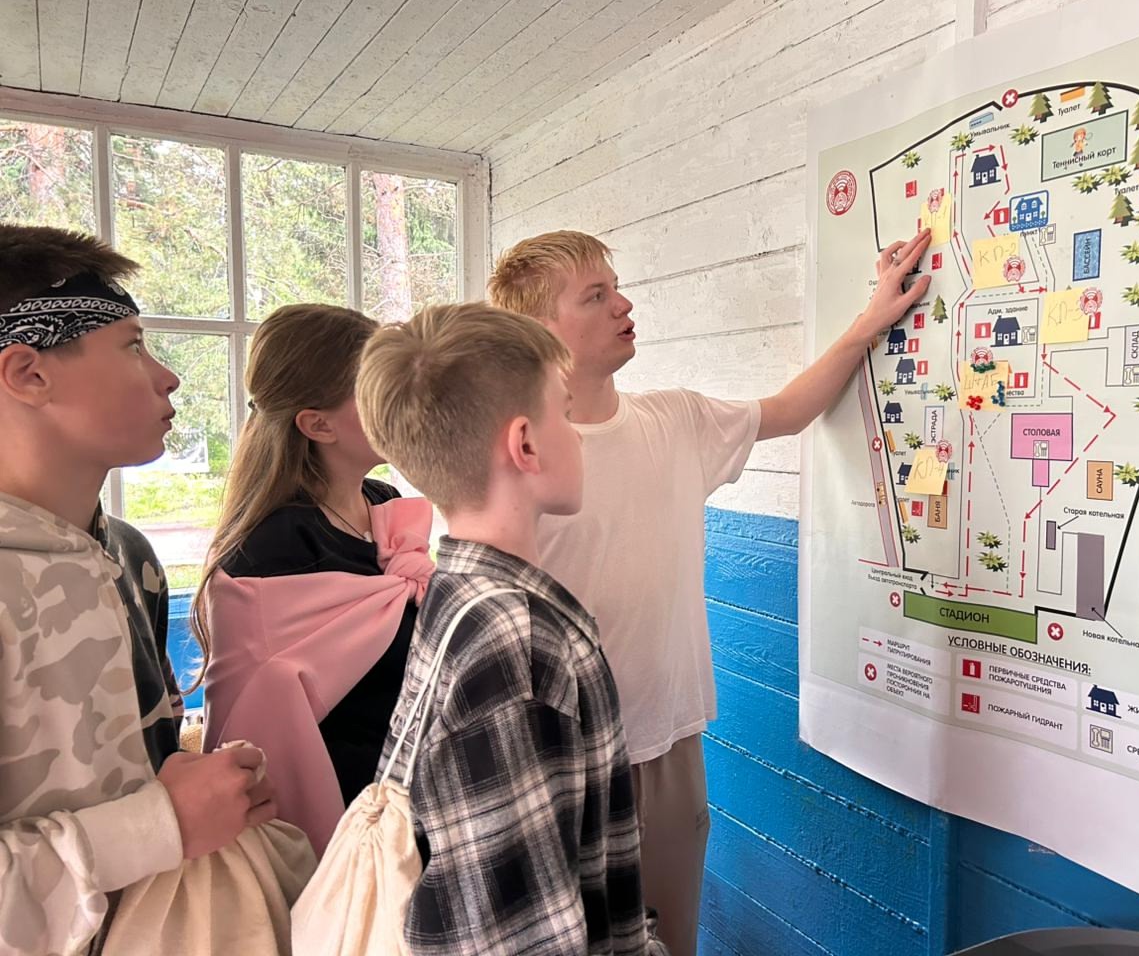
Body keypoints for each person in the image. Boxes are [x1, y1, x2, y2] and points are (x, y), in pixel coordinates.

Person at [488, 227, 933, 955]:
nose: (623, 304)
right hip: (558, 761)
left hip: (668, 742)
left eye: (616, 287)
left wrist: (871, 320)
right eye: (595, 296)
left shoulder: (676, 419)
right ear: (542, 330)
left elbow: (788, 409)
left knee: (672, 939)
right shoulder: (520, 457)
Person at [358, 301, 668, 955]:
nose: (577, 435)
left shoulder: (461, 588)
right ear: (525, 444)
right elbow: (522, 937)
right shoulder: (515, 638)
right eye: (565, 412)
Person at [0, 224, 277, 955]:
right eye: (132, 346)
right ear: (28, 373)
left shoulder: (130, 555)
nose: (168, 377)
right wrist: (160, 825)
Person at [195, 304, 434, 855]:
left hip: (408, 801)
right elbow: (261, 722)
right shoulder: (277, 547)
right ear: (318, 424)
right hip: (343, 828)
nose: (404, 401)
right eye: (378, 388)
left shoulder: (384, 504)